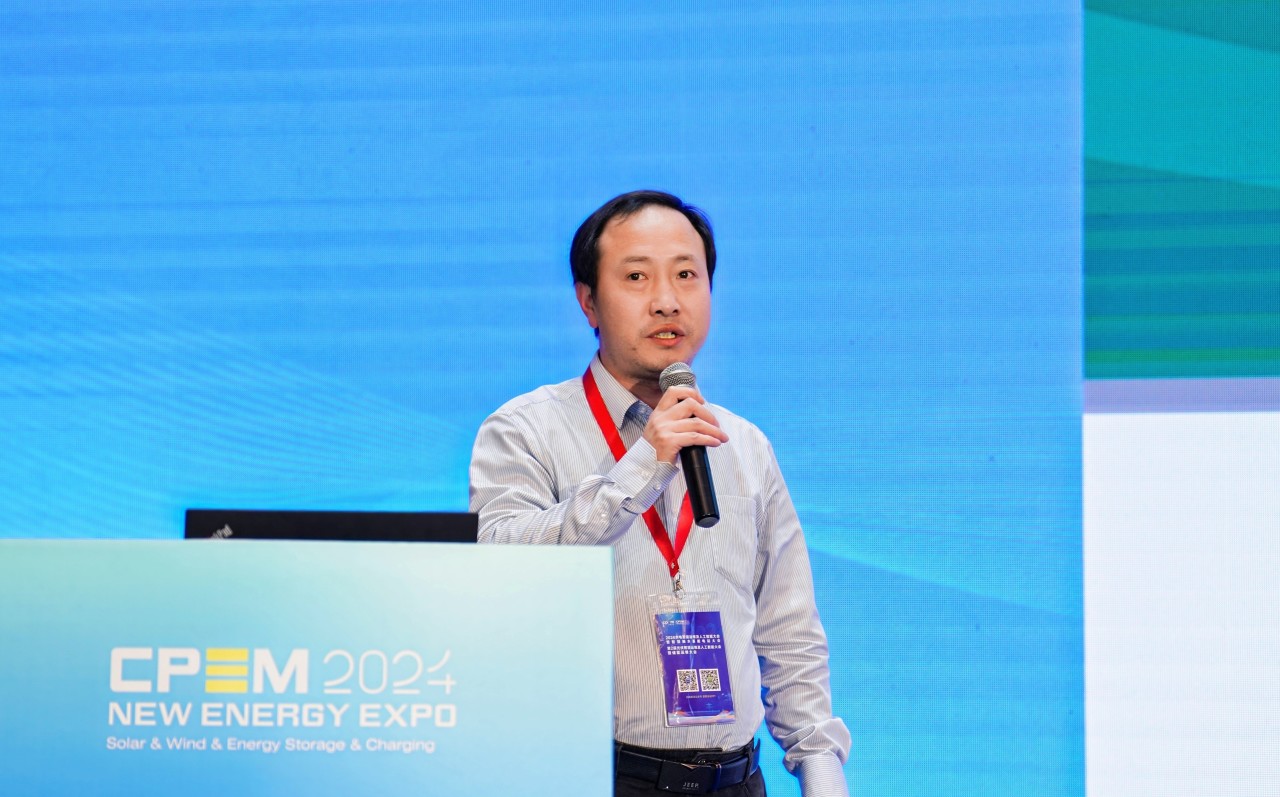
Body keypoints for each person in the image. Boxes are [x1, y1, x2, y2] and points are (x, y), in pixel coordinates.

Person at [470, 190, 851, 796]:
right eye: (637, 277)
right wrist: (645, 462)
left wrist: (822, 774)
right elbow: (500, 561)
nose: (667, 300)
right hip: (595, 778)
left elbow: (789, 631)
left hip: (737, 780)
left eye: (686, 275)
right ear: (588, 302)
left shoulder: (744, 445)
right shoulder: (524, 429)